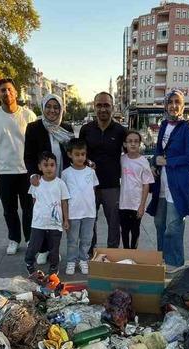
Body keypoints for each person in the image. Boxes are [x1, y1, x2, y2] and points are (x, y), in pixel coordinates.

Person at [0, 78, 37, 255]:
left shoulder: (28, 115)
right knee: (9, 209)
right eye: (2, 90)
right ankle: (14, 239)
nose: (6, 93)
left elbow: (36, 143)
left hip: (26, 171)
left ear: (15, 92)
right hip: (4, 171)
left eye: (9, 89)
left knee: (29, 208)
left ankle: (30, 238)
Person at [146, 89, 189, 273]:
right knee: (160, 223)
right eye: (170, 102)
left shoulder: (186, 127)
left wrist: (168, 162)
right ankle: (162, 257)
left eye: (177, 102)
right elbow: (159, 150)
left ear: (182, 106)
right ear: (166, 105)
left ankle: (175, 261)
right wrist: (154, 163)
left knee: (173, 226)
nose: (174, 105)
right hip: (162, 183)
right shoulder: (164, 125)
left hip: (177, 183)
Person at [25, 93, 74, 266]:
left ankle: (54, 250)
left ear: (61, 109)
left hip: (62, 179)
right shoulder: (34, 127)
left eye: (56, 107)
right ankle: (43, 249)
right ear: (43, 107)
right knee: (43, 212)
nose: (52, 110)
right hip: (43, 180)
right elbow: (29, 156)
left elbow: (72, 152)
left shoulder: (66, 128)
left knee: (59, 214)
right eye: (49, 106)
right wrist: (33, 174)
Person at [78, 92, 126, 252]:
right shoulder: (86, 130)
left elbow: (130, 155)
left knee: (114, 222)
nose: (103, 109)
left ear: (113, 107)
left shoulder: (120, 131)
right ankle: (90, 251)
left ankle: (112, 252)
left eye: (106, 105)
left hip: (112, 185)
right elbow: (79, 154)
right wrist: (87, 162)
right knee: (89, 220)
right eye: (99, 105)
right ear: (94, 107)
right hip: (89, 185)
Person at [25, 152, 70, 275]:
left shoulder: (60, 183)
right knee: (34, 246)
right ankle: (29, 263)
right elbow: (34, 201)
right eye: (45, 165)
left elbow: (64, 202)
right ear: (40, 167)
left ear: (56, 166)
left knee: (54, 249)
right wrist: (38, 215)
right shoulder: (36, 183)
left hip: (55, 224)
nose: (49, 168)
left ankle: (54, 269)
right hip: (38, 224)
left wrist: (66, 220)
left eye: (52, 165)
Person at [61, 138, 99, 275]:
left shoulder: (91, 172)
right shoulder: (65, 174)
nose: (80, 157)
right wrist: (65, 217)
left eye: (83, 154)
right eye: (77, 154)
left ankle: (84, 259)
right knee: (72, 240)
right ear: (70, 154)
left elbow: (92, 191)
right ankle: (71, 261)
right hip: (73, 214)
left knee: (86, 239)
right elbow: (63, 197)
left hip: (89, 213)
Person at [119, 130, 154, 249]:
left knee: (135, 231)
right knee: (124, 231)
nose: (133, 144)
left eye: (136, 141)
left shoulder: (143, 162)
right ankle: (126, 253)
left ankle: (133, 253)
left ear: (140, 144)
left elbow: (146, 185)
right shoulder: (122, 160)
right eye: (130, 141)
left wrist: (142, 206)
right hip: (123, 203)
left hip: (136, 204)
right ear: (125, 144)